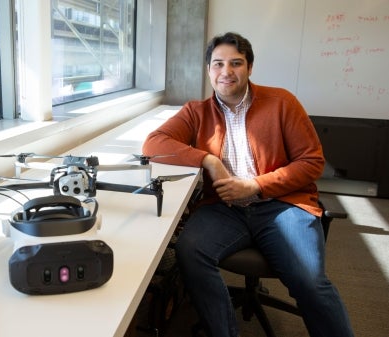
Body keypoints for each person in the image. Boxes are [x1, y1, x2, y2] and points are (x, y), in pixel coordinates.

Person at [142, 32, 354, 337]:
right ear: (209, 70)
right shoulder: (196, 111)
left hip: (283, 204)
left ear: (250, 67)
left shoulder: (282, 102)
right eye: (218, 64)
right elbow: (153, 143)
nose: (226, 72)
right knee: (190, 251)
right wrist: (209, 161)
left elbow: (312, 163)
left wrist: (255, 185)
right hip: (225, 209)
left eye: (236, 63)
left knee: (309, 281)